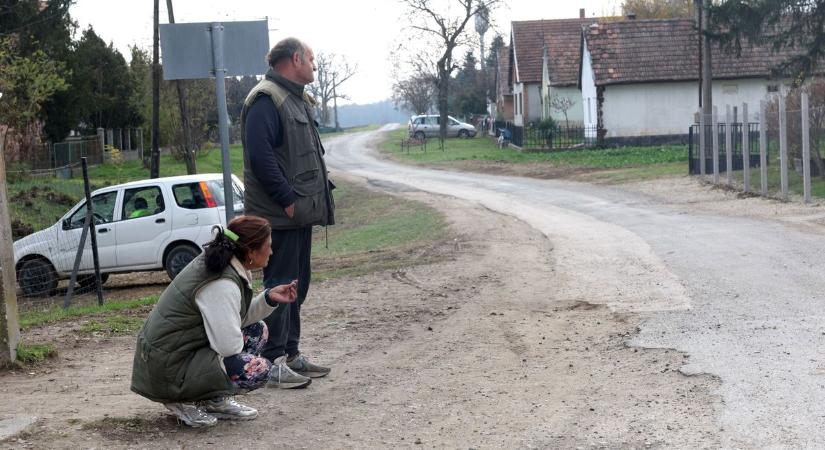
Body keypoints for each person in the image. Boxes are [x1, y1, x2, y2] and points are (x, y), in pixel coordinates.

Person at [130, 215, 299, 428]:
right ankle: (179, 398)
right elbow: (229, 346)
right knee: (255, 368)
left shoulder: (226, 265)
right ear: (250, 252)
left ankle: (213, 399)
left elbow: (237, 320)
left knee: (257, 331)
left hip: (173, 355)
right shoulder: (221, 282)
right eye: (268, 246)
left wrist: (268, 298)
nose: (271, 252)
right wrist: (235, 341)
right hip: (166, 369)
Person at [240, 37, 335, 389]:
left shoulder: (295, 98)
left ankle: (291, 354)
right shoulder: (266, 99)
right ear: (295, 59)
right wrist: (288, 200)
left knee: (298, 286)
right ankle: (271, 361)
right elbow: (260, 157)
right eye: (311, 58)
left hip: (298, 215)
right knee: (279, 287)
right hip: (279, 215)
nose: (314, 65)